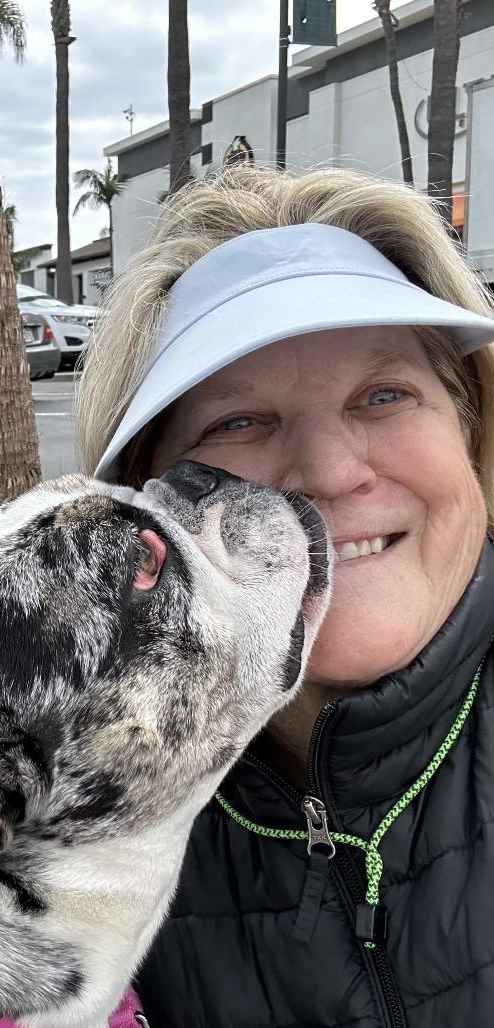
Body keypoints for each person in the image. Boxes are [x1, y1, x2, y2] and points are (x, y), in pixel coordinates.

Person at [76, 165, 494, 1026]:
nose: (331, 473)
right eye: (238, 421)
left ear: (470, 425)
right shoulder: (70, 827)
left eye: (384, 395)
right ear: (145, 497)